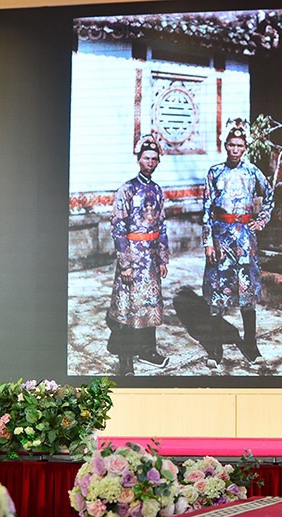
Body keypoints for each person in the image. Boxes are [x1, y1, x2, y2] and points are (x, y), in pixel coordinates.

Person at [202, 120, 274, 368]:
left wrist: (260, 221)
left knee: (247, 291)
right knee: (217, 292)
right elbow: (206, 209)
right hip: (221, 238)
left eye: (239, 146)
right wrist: (208, 242)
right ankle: (215, 349)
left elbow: (270, 196)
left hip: (245, 239)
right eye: (231, 145)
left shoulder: (252, 172)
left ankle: (251, 345)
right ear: (225, 146)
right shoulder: (214, 172)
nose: (235, 149)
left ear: (245, 148)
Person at [106, 134, 171, 376]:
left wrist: (163, 258)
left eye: (154, 159)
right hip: (132, 257)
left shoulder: (157, 190)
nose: (150, 163)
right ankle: (126, 360)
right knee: (127, 307)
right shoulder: (127, 190)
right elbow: (118, 228)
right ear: (138, 159)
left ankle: (148, 351)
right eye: (146, 158)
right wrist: (125, 263)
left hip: (151, 259)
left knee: (151, 305)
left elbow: (162, 225)